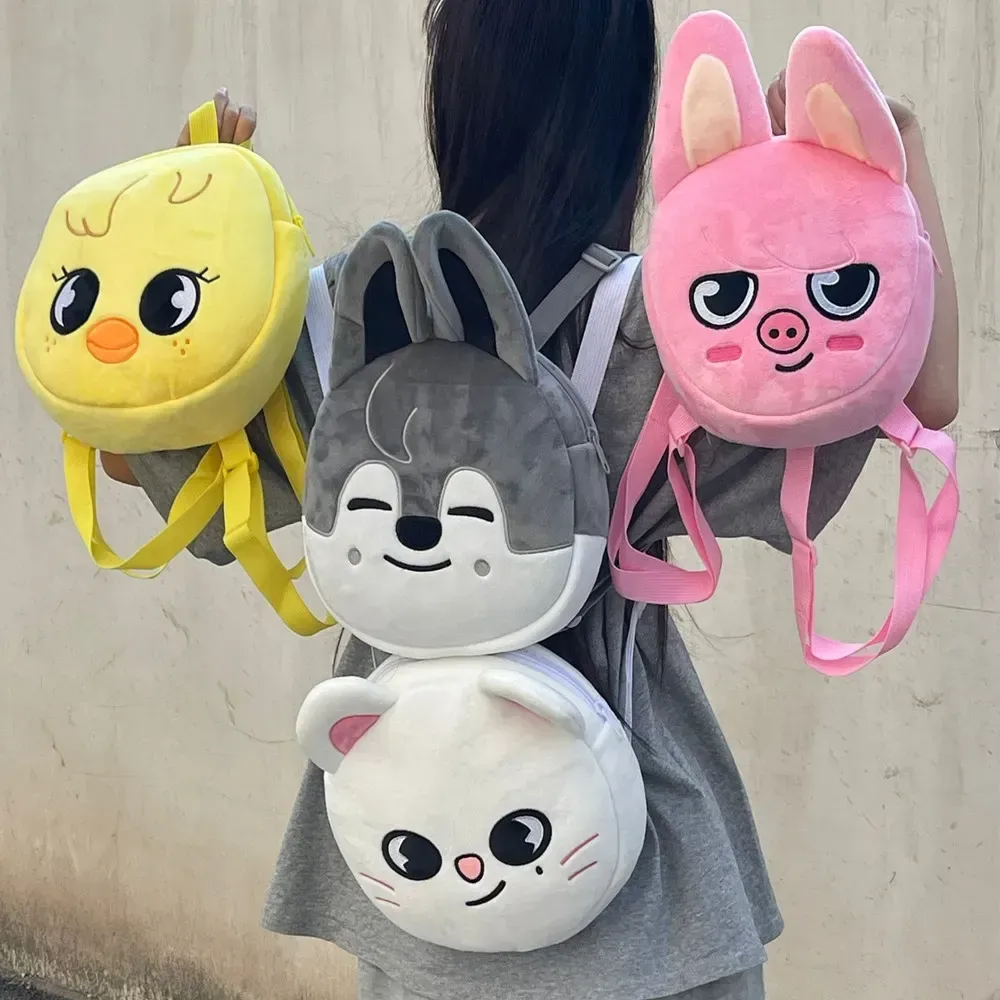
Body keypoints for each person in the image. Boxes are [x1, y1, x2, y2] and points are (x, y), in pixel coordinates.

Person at [103, 2, 959, 997]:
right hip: (641, 869)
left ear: (454, 94)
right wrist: (892, 151)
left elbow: (132, 456)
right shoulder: (663, 325)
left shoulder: (345, 323)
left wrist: (173, 231)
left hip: (422, 846)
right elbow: (924, 395)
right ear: (626, 106)